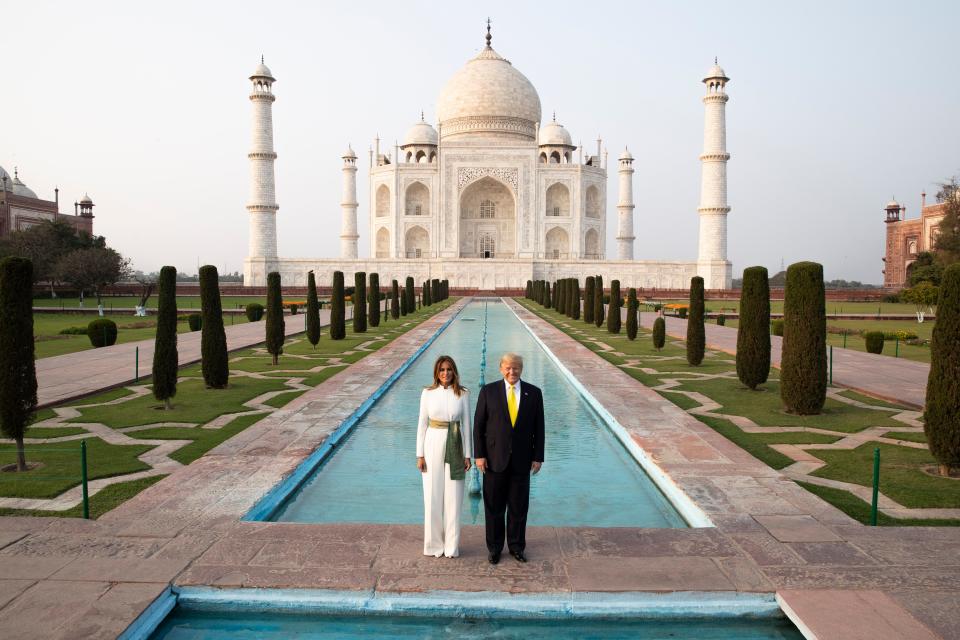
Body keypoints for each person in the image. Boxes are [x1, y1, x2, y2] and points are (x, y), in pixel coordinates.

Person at [473, 352, 544, 564]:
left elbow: (539, 428)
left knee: (518, 507)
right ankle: (494, 548)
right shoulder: (488, 391)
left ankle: (516, 547)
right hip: (494, 460)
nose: (512, 372)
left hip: (522, 460)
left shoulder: (534, 393)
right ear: (501, 368)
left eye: (516, 368)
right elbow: (478, 426)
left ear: (521, 369)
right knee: (494, 508)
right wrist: (479, 455)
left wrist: (538, 456)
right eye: (508, 368)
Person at [416, 355, 472, 557]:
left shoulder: (463, 394)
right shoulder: (427, 393)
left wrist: (468, 455)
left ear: (454, 371)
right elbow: (422, 424)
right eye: (442, 370)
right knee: (432, 495)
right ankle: (433, 545)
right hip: (432, 443)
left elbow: (467, 424)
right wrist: (419, 454)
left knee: (454, 497)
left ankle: (451, 546)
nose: (445, 373)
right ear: (436, 373)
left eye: (449, 369)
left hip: (455, 443)